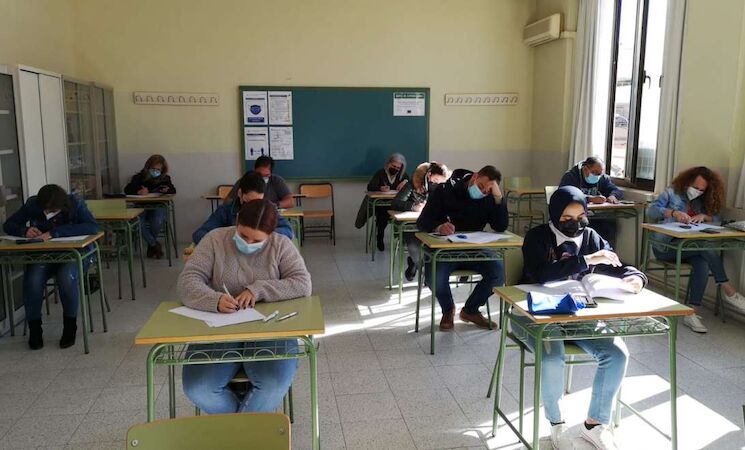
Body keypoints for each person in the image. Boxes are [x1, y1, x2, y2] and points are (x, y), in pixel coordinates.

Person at [520, 186, 647, 450]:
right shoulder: (537, 237)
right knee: (553, 357)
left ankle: (594, 425)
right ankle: (556, 424)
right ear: (554, 214)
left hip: (577, 314)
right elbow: (541, 273)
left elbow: (617, 264)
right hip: (536, 313)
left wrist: (636, 277)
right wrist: (586, 260)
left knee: (617, 354)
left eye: (580, 217)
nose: (575, 224)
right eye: (567, 218)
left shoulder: (591, 236)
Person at [178, 199, 312, 414]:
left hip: (271, 328)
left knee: (273, 383)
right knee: (199, 388)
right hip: (221, 328)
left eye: (257, 240)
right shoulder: (214, 239)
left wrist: (258, 290)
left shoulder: (280, 244)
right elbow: (187, 281)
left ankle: (239, 429)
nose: (248, 243)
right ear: (237, 221)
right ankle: (246, 427)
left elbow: (302, 284)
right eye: (243, 236)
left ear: (270, 234)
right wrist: (214, 300)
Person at [647, 166, 745, 333]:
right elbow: (652, 210)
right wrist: (673, 213)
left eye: (701, 190)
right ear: (687, 182)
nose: (697, 192)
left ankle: (691, 313)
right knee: (703, 247)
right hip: (666, 246)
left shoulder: (702, 199)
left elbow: (717, 217)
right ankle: (728, 289)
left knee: (702, 263)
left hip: (690, 248)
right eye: (695, 187)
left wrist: (704, 216)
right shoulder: (672, 192)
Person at [3, 184, 99, 350]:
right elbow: (9, 224)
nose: (47, 213)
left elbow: (92, 226)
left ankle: (70, 326)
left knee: (66, 277)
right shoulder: (32, 204)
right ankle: (35, 329)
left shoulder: (74, 203)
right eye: (45, 209)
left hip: (74, 254)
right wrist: (24, 230)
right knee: (33, 279)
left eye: (52, 210)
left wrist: (56, 232)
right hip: (44, 255)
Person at [416, 165, 508, 330]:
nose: (482, 192)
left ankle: (470, 310)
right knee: (434, 277)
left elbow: (500, 226)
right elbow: (422, 222)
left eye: (487, 190)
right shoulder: (444, 190)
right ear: (475, 176)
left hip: (474, 248)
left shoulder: (488, 197)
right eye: (481, 186)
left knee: (498, 272)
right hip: (444, 249)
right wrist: (439, 227)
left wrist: (498, 198)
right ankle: (448, 309)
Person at [192, 172, 293, 244]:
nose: (253, 207)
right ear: (240, 193)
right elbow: (199, 234)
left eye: (257, 202)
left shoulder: (267, 211)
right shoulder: (225, 211)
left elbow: (288, 231)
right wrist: (229, 239)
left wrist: (262, 236)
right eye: (249, 201)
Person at [392, 161, 449, 281]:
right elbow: (396, 203)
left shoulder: (442, 188)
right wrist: (413, 206)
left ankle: (422, 266)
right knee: (414, 245)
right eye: (435, 180)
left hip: (430, 225)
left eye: (440, 182)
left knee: (437, 245)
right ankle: (424, 270)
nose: (437, 184)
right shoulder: (412, 184)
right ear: (429, 175)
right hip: (411, 226)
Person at [560, 156, 623, 246]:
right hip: (575, 216)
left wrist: (613, 196)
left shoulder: (601, 178)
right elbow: (566, 195)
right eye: (594, 172)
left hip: (595, 215)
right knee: (583, 227)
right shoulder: (571, 176)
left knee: (609, 226)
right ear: (585, 169)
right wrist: (590, 199)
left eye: (599, 174)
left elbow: (616, 190)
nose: (596, 176)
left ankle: (604, 251)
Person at [124, 154, 176, 259]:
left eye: (158, 169)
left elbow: (173, 190)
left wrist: (166, 190)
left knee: (157, 220)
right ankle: (153, 244)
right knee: (137, 222)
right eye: (153, 169)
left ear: (162, 170)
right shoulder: (139, 177)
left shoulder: (165, 178)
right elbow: (127, 190)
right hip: (141, 206)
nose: (155, 171)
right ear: (148, 168)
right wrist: (138, 191)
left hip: (158, 205)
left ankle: (151, 246)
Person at [367, 153, 409, 251]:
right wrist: (380, 188)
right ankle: (380, 238)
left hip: (397, 204)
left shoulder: (403, 175)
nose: (395, 169)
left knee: (403, 215)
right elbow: (370, 186)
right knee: (383, 216)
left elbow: (412, 183)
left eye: (398, 168)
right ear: (388, 164)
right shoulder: (381, 173)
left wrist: (405, 182)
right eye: (393, 166)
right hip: (382, 204)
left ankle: (401, 239)